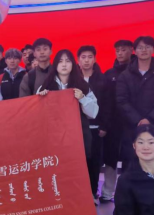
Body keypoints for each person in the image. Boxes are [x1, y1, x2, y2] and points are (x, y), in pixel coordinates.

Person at [37, 49, 99, 190]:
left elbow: (93, 113)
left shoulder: (82, 85)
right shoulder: (46, 86)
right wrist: (41, 99)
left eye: (68, 61)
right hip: (54, 137)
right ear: (55, 65)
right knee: (56, 169)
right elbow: (38, 115)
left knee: (78, 169)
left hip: (78, 136)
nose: (64, 64)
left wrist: (82, 98)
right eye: (60, 61)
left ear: (73, 64)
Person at [116, 36, 154, 165]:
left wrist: (150, 119)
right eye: (140, 47)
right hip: (132, 128)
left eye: (147, 47)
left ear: (153, 49)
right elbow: (121, 100)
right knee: (132, 167)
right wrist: (138, 120)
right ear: (135, 51)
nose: (144, 50)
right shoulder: (125, 75)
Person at [100, 40, 134, 202]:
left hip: (131, 122)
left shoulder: (137, 72)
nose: (120, 53)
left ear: (131, 50)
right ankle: (107, 192)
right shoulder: (109, 74)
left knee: (130, 158)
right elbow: (105, 100)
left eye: (123, 50)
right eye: (118, 50)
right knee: (110, 159)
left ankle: (125, 194)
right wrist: (105, 123)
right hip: (112, 123)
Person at [77, 45, 107, 205]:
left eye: (90, 57)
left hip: (96, 128)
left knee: (94, 162)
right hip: (77, 128)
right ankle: (79, 194)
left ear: (94, 59)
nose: (86, 60)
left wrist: (104, 125)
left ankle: (93, 192)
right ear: (78, 60)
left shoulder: (102, 80)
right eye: (83, 57)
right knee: (78, 162)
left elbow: (107, 104)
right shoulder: (73, 79)